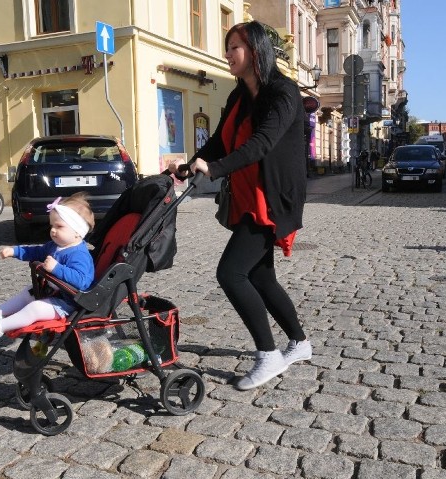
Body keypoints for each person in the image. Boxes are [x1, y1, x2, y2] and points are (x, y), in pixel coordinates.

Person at [169, 21, 311, 390]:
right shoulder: (238, 97)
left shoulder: (283, 93)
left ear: (256, 49)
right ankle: (299, 343)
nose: (227, 53)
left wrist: (213, 169)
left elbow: (261, 144)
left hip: (271, 200)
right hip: (247, 197)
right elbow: (220, 141)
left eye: (235, 46)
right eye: (227, 46)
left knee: (231, 273)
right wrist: (190, 165)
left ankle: (269, 355)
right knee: (261, 276)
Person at [0, 192, 95, 340]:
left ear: (77, 232)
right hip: (55, 292)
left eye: (59, 226)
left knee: (35, 308)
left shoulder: (78, 255)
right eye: (52, 226)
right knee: (28, 293)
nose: (53, 230)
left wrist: (56, 268)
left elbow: (82, 280)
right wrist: (15, 251)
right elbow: (36, 251)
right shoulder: (55, 246)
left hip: (70, 303)